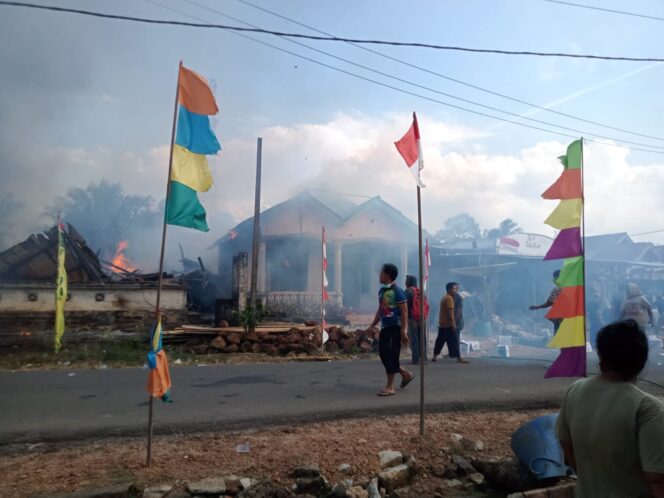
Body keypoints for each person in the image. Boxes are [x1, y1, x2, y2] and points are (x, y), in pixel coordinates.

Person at [557, 319, 664, 497]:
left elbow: (567, 447)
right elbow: (656, 479)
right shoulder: (648, 408)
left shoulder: (575, 390)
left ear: (602, 357)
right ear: (642, 359)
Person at [368, 263, 415, 396]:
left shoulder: (397, 291)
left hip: (395, 327)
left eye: (381, 273)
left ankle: (390, 387)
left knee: (391, 354)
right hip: (385, 327)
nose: (379, 275)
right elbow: (381, 310)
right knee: (384, 354)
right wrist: (373, 324)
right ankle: (405, 373)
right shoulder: (383, 291)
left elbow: (404, 310)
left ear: (387, 275)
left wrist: (403, 330)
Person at [432, 282, 468, 363]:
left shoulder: (446, 297)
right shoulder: (449, 298)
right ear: (449, 289)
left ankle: (435, 355)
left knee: (441, 340)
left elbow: (458, 311)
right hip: (449, 324)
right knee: (453, 340)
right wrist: (453, 323)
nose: (456, 290)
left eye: (456, 288)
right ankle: (458, 358)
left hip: (444, 324)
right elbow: (450, 312)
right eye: (454, 288)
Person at [404, 275, 428, 365]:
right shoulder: (423, 291)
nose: (405, 283)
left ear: (409, 282)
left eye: (406, 281)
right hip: (422, 319)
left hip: (412, 318)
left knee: (414, 339)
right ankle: (424, 358)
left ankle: (415, 359)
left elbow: (405, 306)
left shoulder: (408, 291)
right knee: (422, 339)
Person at [529, 270, 562, 334]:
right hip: (570, 318)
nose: (554, 279)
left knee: (558, 335)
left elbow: (549, 302)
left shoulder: (557, 289)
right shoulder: (572, 288)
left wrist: (537, 307)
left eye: (555, 277)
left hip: (559, 317)